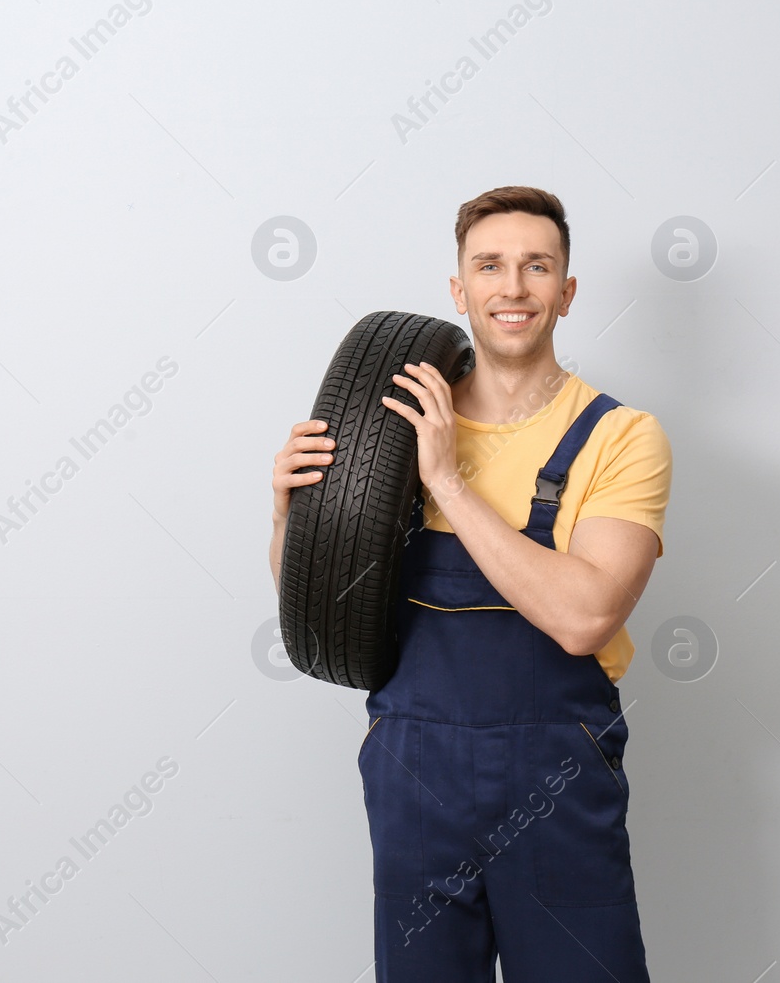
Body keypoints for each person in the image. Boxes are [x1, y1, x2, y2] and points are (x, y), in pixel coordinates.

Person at [268, 186, 671, 981]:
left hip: (556, 775)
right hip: (415, 771)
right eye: (490, 265)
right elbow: (323, 610)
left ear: (566, 292)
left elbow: (584, 615)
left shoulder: (621, 436)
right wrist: (292, 521)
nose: (512, 287)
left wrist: (448, 483)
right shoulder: (387, 425)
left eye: (536, 267)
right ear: (459, 290)